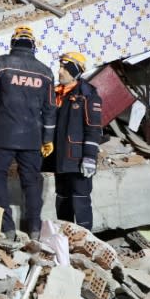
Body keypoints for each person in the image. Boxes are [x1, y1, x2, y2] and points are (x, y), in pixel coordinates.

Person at [0, 26, 56, 241]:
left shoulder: (0, 64)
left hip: (2, 135)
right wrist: (47, 139)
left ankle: (7, 229)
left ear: (13, 43)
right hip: (32, 137)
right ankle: (35, 229)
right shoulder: (45, 72)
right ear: (33, 46)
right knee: (31, 182)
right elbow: (49, 109)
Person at [47, 51, 103, 231]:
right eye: (60, 67)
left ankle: (86, 239)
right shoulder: (56, 94)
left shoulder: (87, 95)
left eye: (64, 68)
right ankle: (66, 237)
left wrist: (90, 157)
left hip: (78, 159)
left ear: (75, 70)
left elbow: (93, 129)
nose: (60, 71)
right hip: (59, 158)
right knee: (62, 198)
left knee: (81, 199)